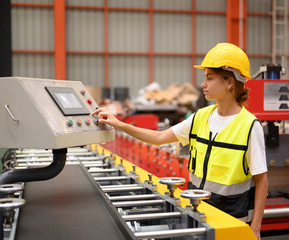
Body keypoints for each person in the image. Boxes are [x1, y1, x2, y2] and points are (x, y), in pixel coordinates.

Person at [92, 43, 268, 240]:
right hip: (199, 216)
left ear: (229, 82)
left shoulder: (250, 126)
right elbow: (158, 137)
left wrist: (255, 229)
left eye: (209, 78)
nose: (203, 84)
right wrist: (118, 124)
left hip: (232, 223)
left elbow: (262, 181)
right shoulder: (200, 117)